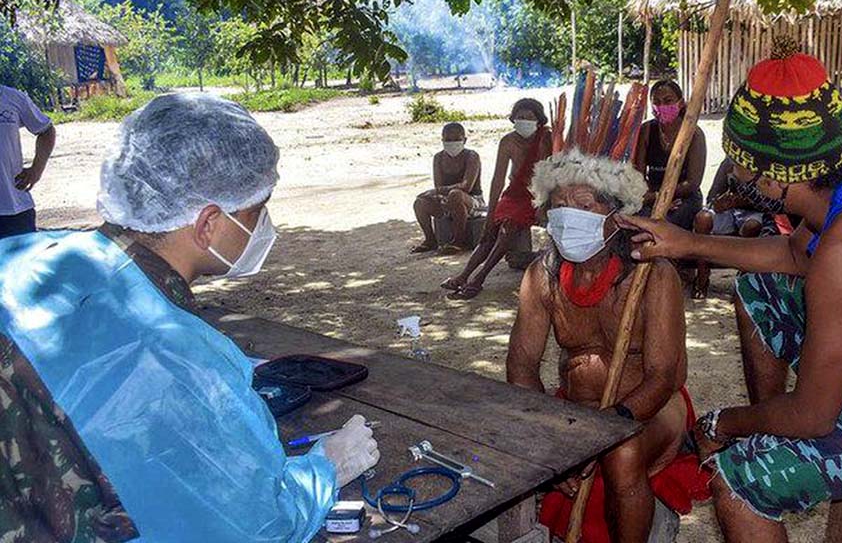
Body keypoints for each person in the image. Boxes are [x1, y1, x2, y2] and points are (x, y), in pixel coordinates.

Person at [619, 40, 842, 542]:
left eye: (739, 162)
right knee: (759, 289)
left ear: (774, 176)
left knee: (741, 482)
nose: (733, 173)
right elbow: (796, 256)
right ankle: (772, 425)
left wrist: (722, 424)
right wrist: (687, 242)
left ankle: (766, 437)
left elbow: (815, 415)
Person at [0, 93, 379, 543]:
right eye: (257, 211)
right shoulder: (178, 357)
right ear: (208, 224)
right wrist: (329, 465)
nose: (263, 227)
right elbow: (254, 527)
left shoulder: (23, 256)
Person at [509, 140, 708, 542]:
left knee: (623, 452)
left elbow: (663, 376)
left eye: (585, 205)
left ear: (618, 216)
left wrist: (606, 429)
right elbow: (522, 365)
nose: (569, 216)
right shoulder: (541, 276)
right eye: (560, 206)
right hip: (577, 409)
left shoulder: (652, 274)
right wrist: (554, 434)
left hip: (648, 410)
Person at [442, 98, 551, 300]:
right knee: (489, 233)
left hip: (540, 195)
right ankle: (464, 275)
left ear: (539, 120)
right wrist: (491, 214)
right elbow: (497, 180)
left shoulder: (547, 138)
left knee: (507, 228)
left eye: (528, 118)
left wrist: (544, 202)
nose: (523, 121)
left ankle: (479, 278)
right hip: (515, 193)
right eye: (519, 117)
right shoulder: (508, 141)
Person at [691, 159, 780, 299]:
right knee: (703, 219)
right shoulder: (729, 164)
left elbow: (771, 204)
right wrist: (719, 203)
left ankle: (742, 282)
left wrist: (743, 202)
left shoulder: (765, 167)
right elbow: (712, 197)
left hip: (754, 213)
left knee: (752, 227)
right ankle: (702, 276)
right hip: (730, 212)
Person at [634, 80, 705, 228]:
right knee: (638, 220)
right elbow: (638, 175)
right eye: (657, 102)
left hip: (684, 197)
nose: (662, 106)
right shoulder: (646, 130)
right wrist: (654, 198)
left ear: (680, 103)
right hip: (651, 195)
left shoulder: (694, 134)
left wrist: (664, 198)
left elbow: (692, 183)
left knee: (666, 222)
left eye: (668, 101)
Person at [411, 122, 484, 254]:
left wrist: (438, 191)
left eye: (456, 139)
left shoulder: (472, 156)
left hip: (473, 202)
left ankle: (458, 241)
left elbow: (466, 187)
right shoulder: (438, 158)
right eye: (448, 140)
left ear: (464, 140)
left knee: (455, 195)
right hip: (448, 199)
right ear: (442, 140)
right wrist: (435, 195)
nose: (452, 143)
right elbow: (438, 186)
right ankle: (430, 239)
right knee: (420, 203)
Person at [0, 85, 56, 238]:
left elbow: (46, 130)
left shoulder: (13, 98)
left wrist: (36, 170)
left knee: (22, 261)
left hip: (14, 209)